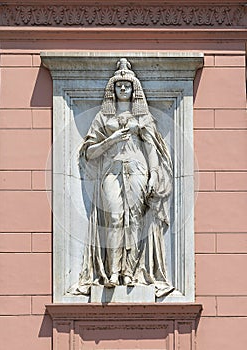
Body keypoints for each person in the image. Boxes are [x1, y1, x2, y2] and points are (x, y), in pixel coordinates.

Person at [72, 58, 174, 298]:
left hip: (137, 171)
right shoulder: (102, 118)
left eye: (127, 85)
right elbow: (89, 151)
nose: (123, 89)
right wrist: (112, 139)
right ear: (112, 89)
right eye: (119, 85)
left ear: (134, 89)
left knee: (134, 220)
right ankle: (112, 271)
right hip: (111, 172)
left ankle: (130, 271)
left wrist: (154, 174)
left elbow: (151, 148)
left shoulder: (143, 118)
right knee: (115, 217)